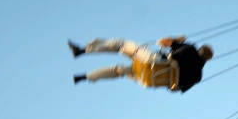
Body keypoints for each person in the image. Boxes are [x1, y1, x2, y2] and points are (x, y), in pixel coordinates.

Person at [67, 36, 213, 92]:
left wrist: (178, 40)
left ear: (199, 50)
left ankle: (82, 50)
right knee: (118, 70)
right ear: (206, 60)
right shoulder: (198, 77)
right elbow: (174, 89)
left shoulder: (190, 49)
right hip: (149, 80)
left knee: (120, 44)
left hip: (152, 62)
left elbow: (163, 42)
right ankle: (84, 77)